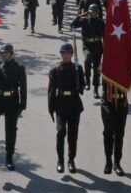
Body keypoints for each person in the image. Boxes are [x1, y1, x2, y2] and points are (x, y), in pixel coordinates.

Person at [47, 43, 85, 174]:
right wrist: (51, 108)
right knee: (61, 132)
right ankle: (60, 160)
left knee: (73, 135)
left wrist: (79, 85)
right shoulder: (55, 70)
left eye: (69, 53)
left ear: (72, 54)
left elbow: (83, 84)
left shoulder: (78, 68)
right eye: (64, 53)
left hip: (74, 104)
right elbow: (51, 91)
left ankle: (71, 160)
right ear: (61, 54)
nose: (66, 55)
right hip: (61, 104)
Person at [71, 4, 105, 98]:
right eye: (90, 11)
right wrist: (79, 16)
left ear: (97, 12)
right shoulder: (84, 20)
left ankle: (96, 89)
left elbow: (104, 35)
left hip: (97, 46)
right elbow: (72, 25)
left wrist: (105, 47)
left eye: (94, 11)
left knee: (97, 68)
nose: (92, 13)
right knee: (87, 58)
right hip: (87, 45)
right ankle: (88, 81)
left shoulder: (100, 22)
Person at [100, 81, 128, 176]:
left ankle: (117, 163)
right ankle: (108, 161)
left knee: (119, 134)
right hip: (108, 103)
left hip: (122, 102)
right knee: (108, 132)